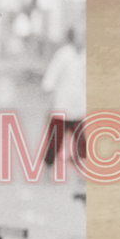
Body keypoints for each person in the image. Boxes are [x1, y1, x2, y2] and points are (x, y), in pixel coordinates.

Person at [42, 27, 86, 167]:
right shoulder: (63, 54)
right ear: (72, 37)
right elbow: (50, 78)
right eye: (79, 36)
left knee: (81, 142)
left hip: (78, 106)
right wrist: (48, 100)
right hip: (62, 105)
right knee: (55, 140)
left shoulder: (86, 55)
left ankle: (81, 171)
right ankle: (48, 169)